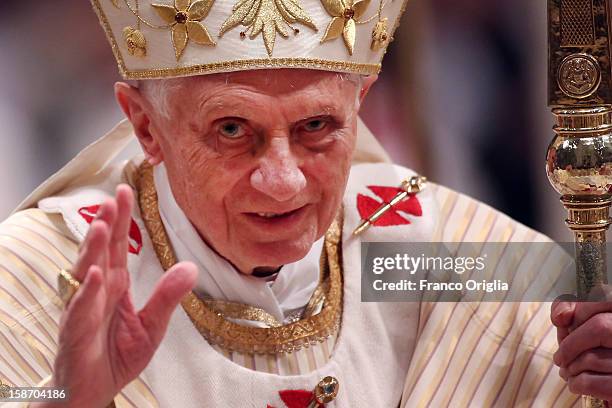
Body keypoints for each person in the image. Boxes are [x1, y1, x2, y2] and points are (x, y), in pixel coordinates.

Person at [0, 0, 610, 406]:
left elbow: (586, 309)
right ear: (145, 125)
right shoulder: (36, 275)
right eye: (233, 130)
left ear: (362, 102)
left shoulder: (414, 253)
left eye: (317, 126)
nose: (284, 182)